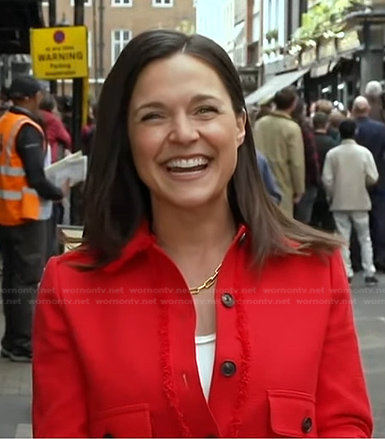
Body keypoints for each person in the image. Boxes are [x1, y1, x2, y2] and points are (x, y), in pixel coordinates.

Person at [32, 30, 372, 438]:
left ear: (240, 126)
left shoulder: (316, 270)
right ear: (127, 137)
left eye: (205, 110)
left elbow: (344, 426)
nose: (183, 134)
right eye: (153, 116)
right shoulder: (71, 288)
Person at [0, 76, 65, 363]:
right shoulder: (27, 129)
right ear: (31, 96)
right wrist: (58, 191)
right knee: (26, 280)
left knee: (12, 280)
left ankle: (12, 340)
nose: (42, 97)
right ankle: (23, 343)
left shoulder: (4, 122)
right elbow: (36, 178)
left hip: (6, 212)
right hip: (27, 213)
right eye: (40, 93)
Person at [322, 119, 378, 285]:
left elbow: (327, 180)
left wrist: (331, 195)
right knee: (365, 237)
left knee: (342, 238)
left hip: (339, 201)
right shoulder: (364, 153)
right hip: (360, 200)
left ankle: (346, 272)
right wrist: (363, 183)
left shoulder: (332, 154)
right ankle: (369, 271)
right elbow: (373, 177)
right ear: (356, 132)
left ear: (339, 132)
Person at [253, 87, 305, 217]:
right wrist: (299, 189)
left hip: (257, 180)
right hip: (282, 182)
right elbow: (296, 162)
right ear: (293, 104)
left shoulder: (259, 124)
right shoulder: (292, 128)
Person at [352, 96, 385, 272]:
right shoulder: (381, 129)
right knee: (379, 218)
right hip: (378, 178)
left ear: (355, 110)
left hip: (354, 180)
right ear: (368, 109)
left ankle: (356, 259)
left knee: (355, 221)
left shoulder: (350, 128)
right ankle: (380, 256)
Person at [291, 99, 320, 224]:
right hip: (305, 182)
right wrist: (316, 180)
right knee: (302, 223)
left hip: (283, 182)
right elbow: (311, 157)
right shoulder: (303, 129)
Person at [310, 112, 337, 231]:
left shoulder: (308, 141)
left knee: (312, 223)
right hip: (327, 187)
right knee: (328, 224)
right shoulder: (332, 143)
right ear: (327, 125)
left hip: (311, 185)